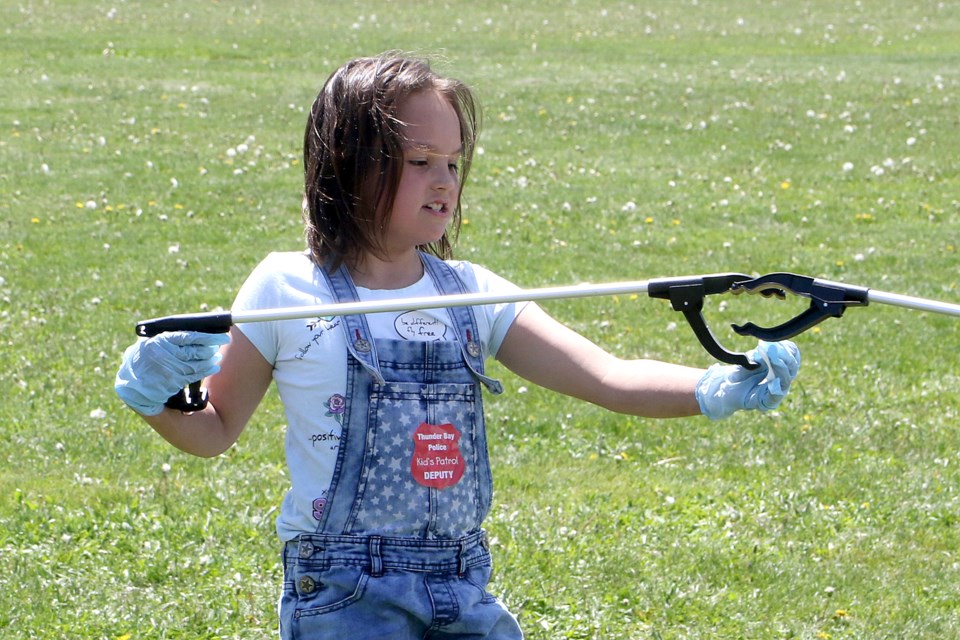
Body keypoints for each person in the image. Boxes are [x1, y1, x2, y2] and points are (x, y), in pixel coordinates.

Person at [115, 51, 800, 639]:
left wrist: (717, 385)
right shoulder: (285, 287)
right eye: (419, 161)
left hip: (463, 580)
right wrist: (153, 393)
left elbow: (607, 376)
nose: (444, 180)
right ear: (347, 165)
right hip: (345, 594)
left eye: (452, 161)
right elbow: (214, 430)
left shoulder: (470, 293)